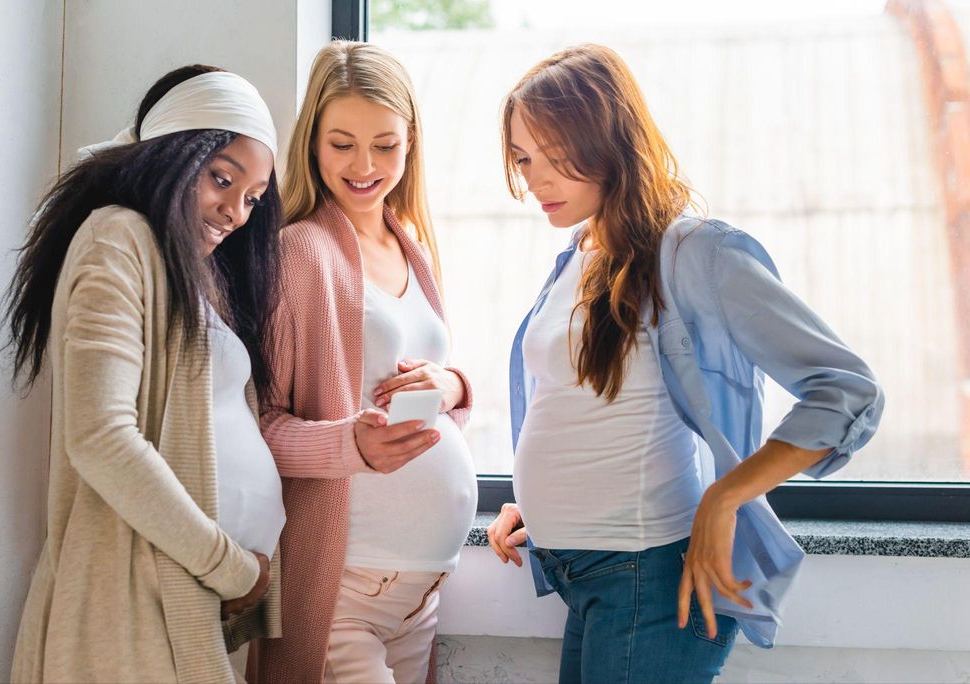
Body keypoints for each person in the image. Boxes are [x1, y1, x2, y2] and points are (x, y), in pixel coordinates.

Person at [486, 44, 884, 684]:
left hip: (647, 580)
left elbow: (846, 390)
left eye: (554, 158)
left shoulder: (694, 251)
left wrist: (725, 497)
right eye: (522, 159)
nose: (534, 180)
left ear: (609, 141)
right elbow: (588, 405)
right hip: (584, 573)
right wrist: (536, 500)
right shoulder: (578, 252)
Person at [5, 65, 286, 683]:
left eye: (253, 198)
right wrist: (233, 568)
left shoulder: (185, 266)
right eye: (221, 179)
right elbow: (101, 437)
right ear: (171, 154)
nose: (236, 212)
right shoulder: (117, 238)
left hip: (184, 595)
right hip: (130, 599)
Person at [249, 41, 476, 684]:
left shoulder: (413, 249)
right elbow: (259, 425)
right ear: (312, 142)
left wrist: (455, 384)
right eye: (341, 143)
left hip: (419, 596)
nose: (364, 165)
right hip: (344, 590)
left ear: (411, 144)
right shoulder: (299, 252)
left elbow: (426, 396)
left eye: (386, 145)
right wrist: (350, 447)